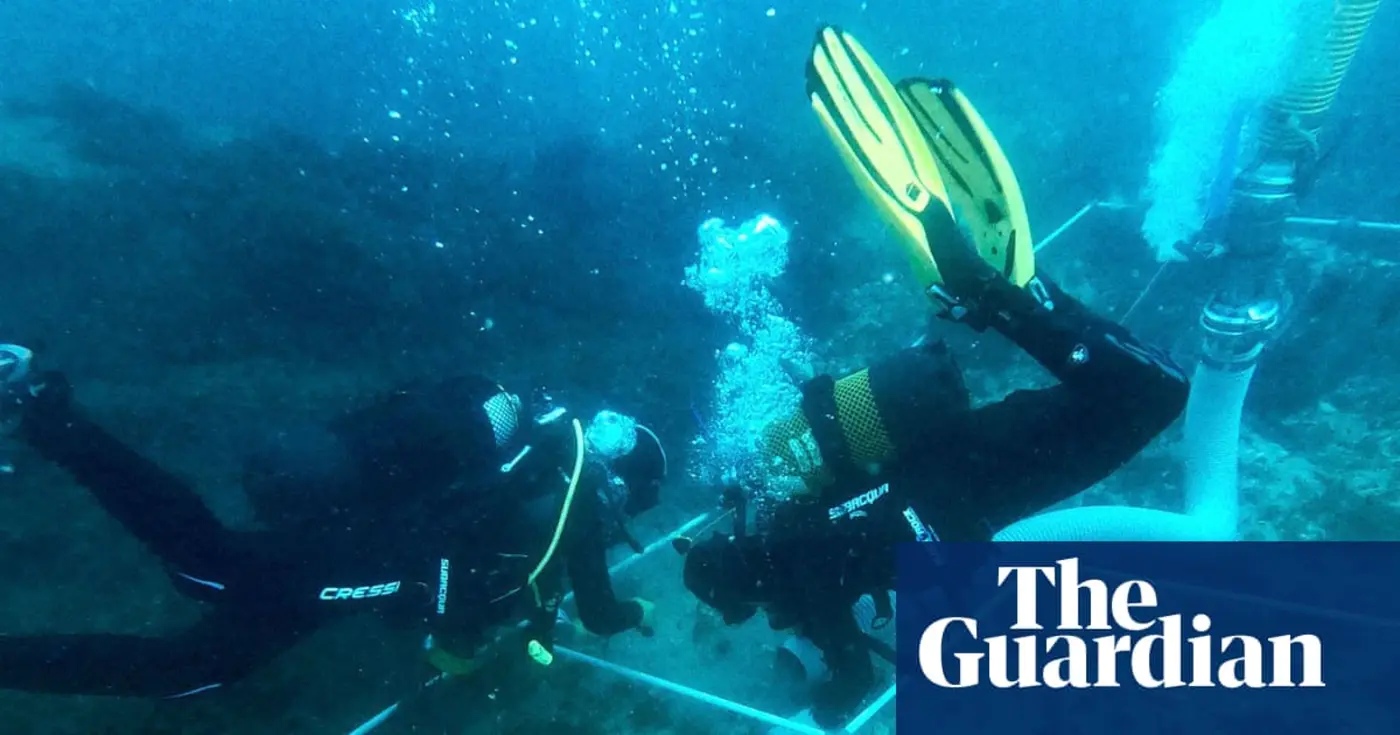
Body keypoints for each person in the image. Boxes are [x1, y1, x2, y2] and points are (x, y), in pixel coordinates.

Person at [678, 26, 1192, 729]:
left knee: (1154, 394)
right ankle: (1009, 297)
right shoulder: (776, 515)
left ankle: (996, 294)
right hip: (972, 453)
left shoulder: (802, 577)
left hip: (993, 474)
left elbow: (852, 670)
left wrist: (825, 704)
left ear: (746, 587)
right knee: (1140, 392)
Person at [0, 343, 663, 698]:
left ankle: (46, 416)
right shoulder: (575, 493)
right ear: (625, 484)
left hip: (365, 537)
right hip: (382, 551)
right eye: (634, 506)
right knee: (209, 570)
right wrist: (638, 609)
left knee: (202, 643)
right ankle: (42, 411)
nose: (623, 519)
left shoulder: (537, 454)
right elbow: (600, 611)